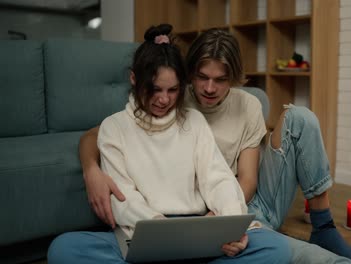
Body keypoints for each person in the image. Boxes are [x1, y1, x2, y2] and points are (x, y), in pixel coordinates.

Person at [79, 28, 351, 264]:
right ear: (189, 76)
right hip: (190, 220)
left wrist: (218, 223)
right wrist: (91, 169)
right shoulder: (171, 104)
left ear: (233, 78)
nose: (210, 88)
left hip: (239, 205)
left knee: (300, 118)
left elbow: (244, 179)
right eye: (202, 77)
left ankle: (324, 227)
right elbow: (99, 134)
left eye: (220, 80)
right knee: (66, 248)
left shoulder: (235, 108)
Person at [47, 24, 291, 264]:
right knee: (63, 248)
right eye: (155, 89)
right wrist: (161, 230)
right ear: (134, 78)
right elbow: (123, 198)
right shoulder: (114, 128)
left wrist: (229, 225)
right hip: (143, 230)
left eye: (173, 90)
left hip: (198, 229)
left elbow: (218, 179)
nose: (163, 99)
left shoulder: (194, 121)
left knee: (277, 248)